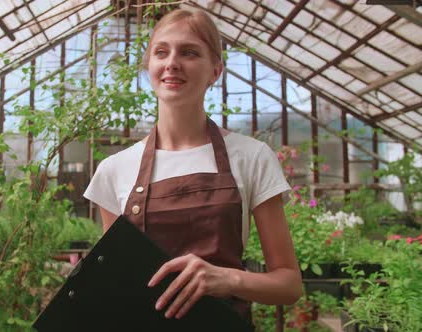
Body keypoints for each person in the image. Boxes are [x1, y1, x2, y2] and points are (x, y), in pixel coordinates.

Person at [83, 8, 302, 324]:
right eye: (161, 52)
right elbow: (118, 279)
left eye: (189, 52)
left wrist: (227, 279)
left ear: (215, 71)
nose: (172, 62)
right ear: (149, 67)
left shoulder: (252, 157)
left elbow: (289, 284)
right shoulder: (115, 169)